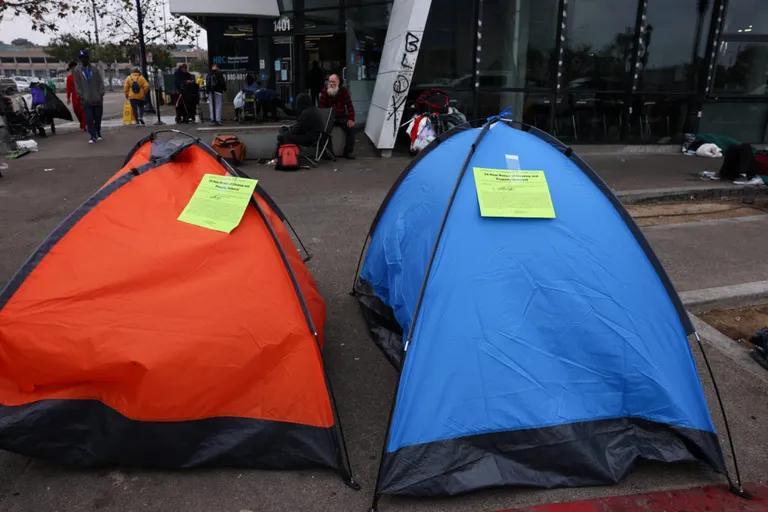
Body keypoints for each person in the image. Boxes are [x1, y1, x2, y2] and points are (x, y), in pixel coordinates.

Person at [318, 73, 355, 158]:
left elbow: (350, 105)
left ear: (338, 82)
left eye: (334, 82)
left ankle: (348, 152)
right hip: (328, 117)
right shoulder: (325, 91)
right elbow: (321, 107)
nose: (331, 84)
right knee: (324, 131)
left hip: (341, 117)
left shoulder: (343, 91)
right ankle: (328, 153)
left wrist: (351, 119)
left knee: (351, 128)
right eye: (330, 82)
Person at [73, 49, 105, 144]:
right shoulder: (77, 71)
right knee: (89, 119)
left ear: (88, 58)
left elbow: (100, 82)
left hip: (97, 99)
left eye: (85, 58)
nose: (83, 60)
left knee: (98, 118)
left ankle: (98, 132)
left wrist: (101, 93)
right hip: (86, 100)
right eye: (81, 58)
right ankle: (92, 135)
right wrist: (81, 95)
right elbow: (77, 85)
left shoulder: (94, 69)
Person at [66, 62, 86, 131]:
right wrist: (68, 98)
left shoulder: (81, 76)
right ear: (71, 69)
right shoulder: (69, 78)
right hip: (74, 96)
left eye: (75, 68)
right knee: (76, 111)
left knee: (83, 111)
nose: (73, 69)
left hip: (83, 95)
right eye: (72, 68)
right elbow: (68, 88)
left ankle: (84, 126)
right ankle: (82, 123)